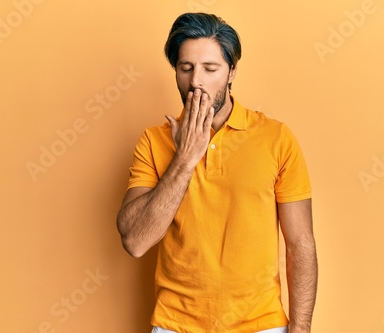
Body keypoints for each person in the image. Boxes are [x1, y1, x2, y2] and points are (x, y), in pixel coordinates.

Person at [116, 12, 317, 333]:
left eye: (210, 69)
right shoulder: (153, 141)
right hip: (175, 324)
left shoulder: (276, 138)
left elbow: (301, 244)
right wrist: (184, 159)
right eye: (186, 68)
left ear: (232, 71)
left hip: (260, 324)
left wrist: (301, 328)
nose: (196, 80)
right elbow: (136, 241)